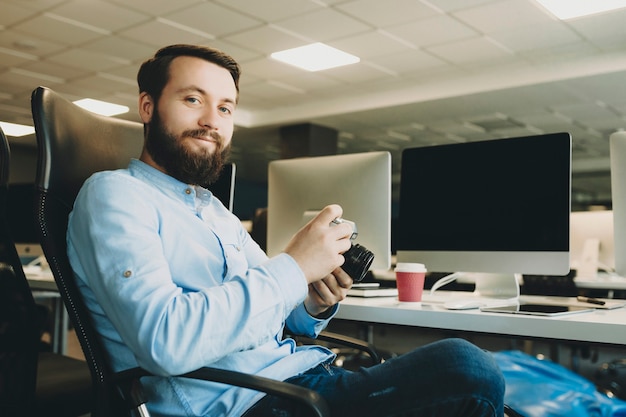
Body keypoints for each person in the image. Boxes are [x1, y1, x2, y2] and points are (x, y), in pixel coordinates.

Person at [67, 44, 505, 417]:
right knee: (467, 367)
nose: (211, 120)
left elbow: (283, 314)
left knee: (468, 377)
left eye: (224, 108)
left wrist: (312, 299)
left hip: (298, 379)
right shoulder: (115, 195)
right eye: (192, 100)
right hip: (244, 402)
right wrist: (294, 266)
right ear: (148, 106)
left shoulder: (214, 210)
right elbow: (165, 343)